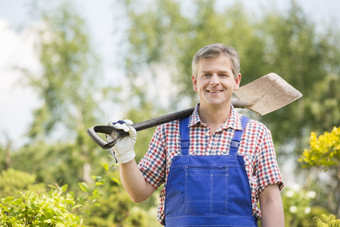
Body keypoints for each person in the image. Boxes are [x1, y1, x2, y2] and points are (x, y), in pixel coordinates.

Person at [110, 43, 285, 226]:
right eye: (206, 75)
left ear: (236, 81)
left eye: (223, 74)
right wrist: (125, 155)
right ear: (195, 82)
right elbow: (138, 193)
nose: (214, 81)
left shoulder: (257, 133)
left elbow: (270, 200)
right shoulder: (168, 132)